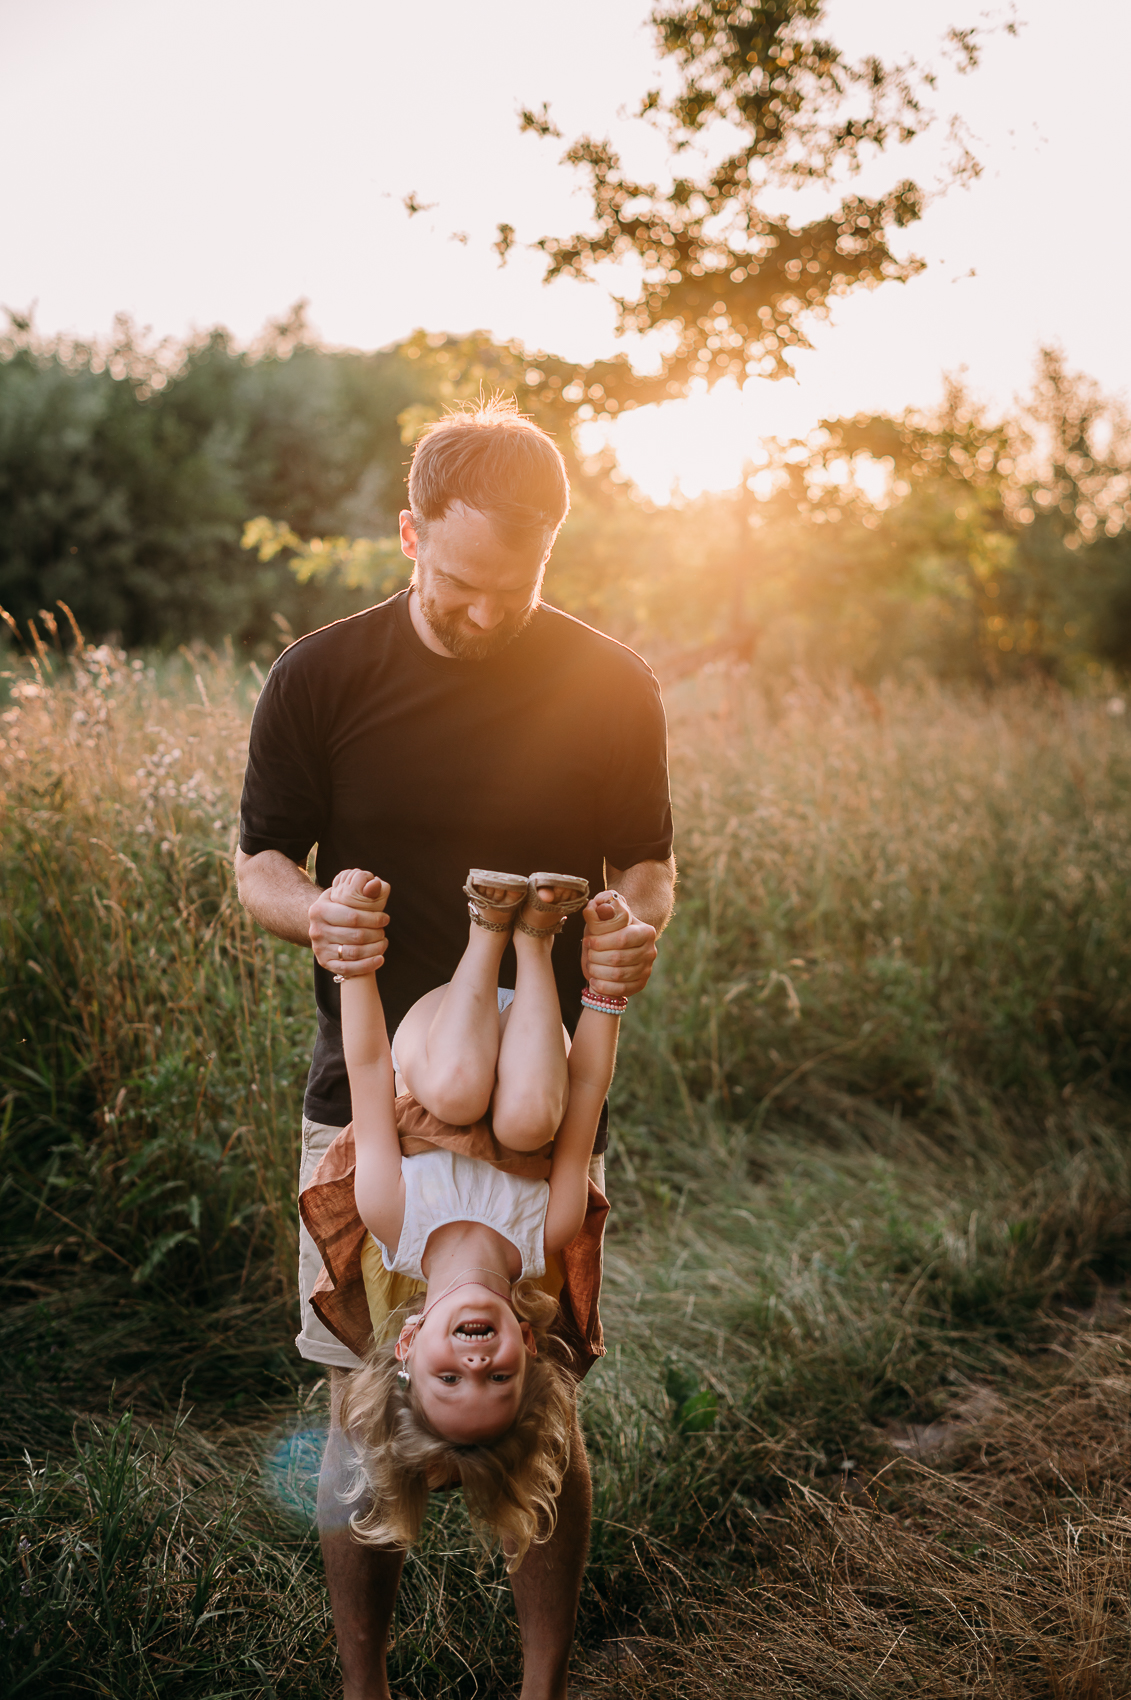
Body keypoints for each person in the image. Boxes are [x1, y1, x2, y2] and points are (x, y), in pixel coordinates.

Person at [235, 399, 675, 1700]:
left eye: (517, 588)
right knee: (359, 1400)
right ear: (410, 531)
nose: (487, 615)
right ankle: (362, 1681)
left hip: (535, 1077)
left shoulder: (607, 682)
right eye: (461, 583)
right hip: (368, 1092)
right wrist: (311, 914)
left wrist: (629, 930)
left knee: (538, 1393)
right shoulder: (320, 676)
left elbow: (644, 862)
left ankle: (543, 1682)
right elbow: (260, 862)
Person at [325, 866, 631, 1576]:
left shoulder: (392, 1220)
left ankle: (485, 926)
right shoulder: (548, 1230)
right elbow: (584, 1088)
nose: (476, 1368)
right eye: (500, 1382)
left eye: (449, 1382)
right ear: (526, 1341)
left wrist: (356, 964)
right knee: (528, 1122)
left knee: (460, 1092)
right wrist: (606, 996)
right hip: (533, 1036)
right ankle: (533, 934)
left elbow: (369, 1069)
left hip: (438, 1033)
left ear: (407, 1342)